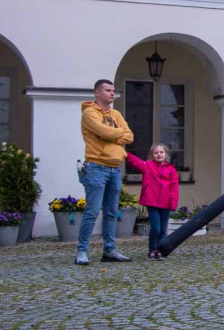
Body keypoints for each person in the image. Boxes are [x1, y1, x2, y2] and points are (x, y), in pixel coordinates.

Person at [76, 79, 135, 265]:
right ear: (97, 93)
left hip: (115, 167)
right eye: (108, 90)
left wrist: (112, 133)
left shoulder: (116, 113)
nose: (112, 93)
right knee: (92, 211)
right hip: (96, 167)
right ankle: (82, 251)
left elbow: (130, 136)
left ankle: (109, 250)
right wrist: (117, 133)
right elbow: (105, 132)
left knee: (111, 212)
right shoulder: (89, 113)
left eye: (113, 90)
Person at [125, 143, 179, 260]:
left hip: (166, 204)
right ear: (152, 155)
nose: (159, 154)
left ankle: (160, 250)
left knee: (163, 229)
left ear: (166, 154)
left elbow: (174, 188)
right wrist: (124, 153)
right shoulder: (148, 166)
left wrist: (173, 203)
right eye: (156, 153)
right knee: (156, 228)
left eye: (161, 152)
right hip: (152, 202)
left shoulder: (171, 169)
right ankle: (152, 249)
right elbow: (135, 161)